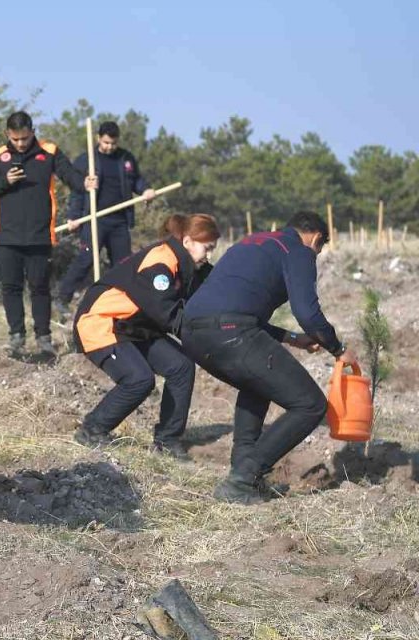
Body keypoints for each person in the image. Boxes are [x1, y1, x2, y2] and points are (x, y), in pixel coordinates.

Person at [180, 211, 358, 504]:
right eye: (320, 247)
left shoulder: (253, 242)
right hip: (230, 329)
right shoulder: (299, 251)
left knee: (257, 385)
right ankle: (242, 480)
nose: (317, 253)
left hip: (192, 331)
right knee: (310, 404)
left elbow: (235, 306)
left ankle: (244, 475)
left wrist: (292, 340)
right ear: (315, 238)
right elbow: (307, 313)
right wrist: (338, 348)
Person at [72, 214, 219, 459]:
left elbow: (217, 284)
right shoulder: (161, 262)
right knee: (139, 379)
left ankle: (167, 440)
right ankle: (92, 430)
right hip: (102, 322)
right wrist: (203, 338)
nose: (209, 255)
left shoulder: (189, 265)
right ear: (188, 241)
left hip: (135, 327)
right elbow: (165, 312)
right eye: (208, 248)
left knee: (181, 366)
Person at [0, 111, 97, 357]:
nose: (21, 144)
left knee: (40, 288)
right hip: (6, 237)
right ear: (7, 135)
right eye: (15, 139)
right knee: (11, 288)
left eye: (25, 138)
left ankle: (44, 339)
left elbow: (71, 176)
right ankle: (16, 338)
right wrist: (6, 180)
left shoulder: (50, 152)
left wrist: (86, 183)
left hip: (40, 235)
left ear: (32, 132)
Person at [56, 121, 157, 317]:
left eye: (113, 143)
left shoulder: (126, 159)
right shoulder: (86, 160)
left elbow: (136, 180)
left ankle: (119, 305)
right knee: (86, 258)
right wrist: (73, 217)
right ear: (98, 139)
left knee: (123, 264)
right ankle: (62, 299)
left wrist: (146, 190)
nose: (109, 147)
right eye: (105, 143)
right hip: (95, 219)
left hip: (119, 220)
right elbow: (77, 191)